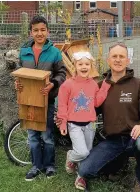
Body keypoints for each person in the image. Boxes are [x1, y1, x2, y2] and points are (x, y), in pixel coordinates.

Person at [57, 42, 140, 191]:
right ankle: (120, 164)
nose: (118, 60)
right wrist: (63, 118)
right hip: (112, 141)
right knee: (85, 170)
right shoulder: (99, 86)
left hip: (134, 137)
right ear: (108, 60)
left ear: (127, 60)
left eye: (121, 56)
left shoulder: (138, 84)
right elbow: (86, 109)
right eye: (114, 56)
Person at [14, 15, 66, 181]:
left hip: (47, 100)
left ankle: (49, 165)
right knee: (33, 137)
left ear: (48, 31)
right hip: (28, 102)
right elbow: (19, 74)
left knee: (47, 136)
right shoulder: (24, 52)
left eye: (42, 30)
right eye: (35, 30)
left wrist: (53, 84)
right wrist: (17, 84)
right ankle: (36, 166)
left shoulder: (55, 52)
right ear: (31, 32)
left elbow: (62, 73)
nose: (39, 33)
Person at [56, 51, 111, 190]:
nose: (84, 67)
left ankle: (81, 177)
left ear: (91, 66)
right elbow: (62, 105)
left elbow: (97, 103)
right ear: (75, 66)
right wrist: (62, 122)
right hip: (74, 125)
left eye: (87, 64)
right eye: (80, 64)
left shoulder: (93, 84)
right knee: (82, 152)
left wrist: (104, 87)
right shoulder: (67, 85)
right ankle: (70, 157)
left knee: (88, 151)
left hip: (90, 124)